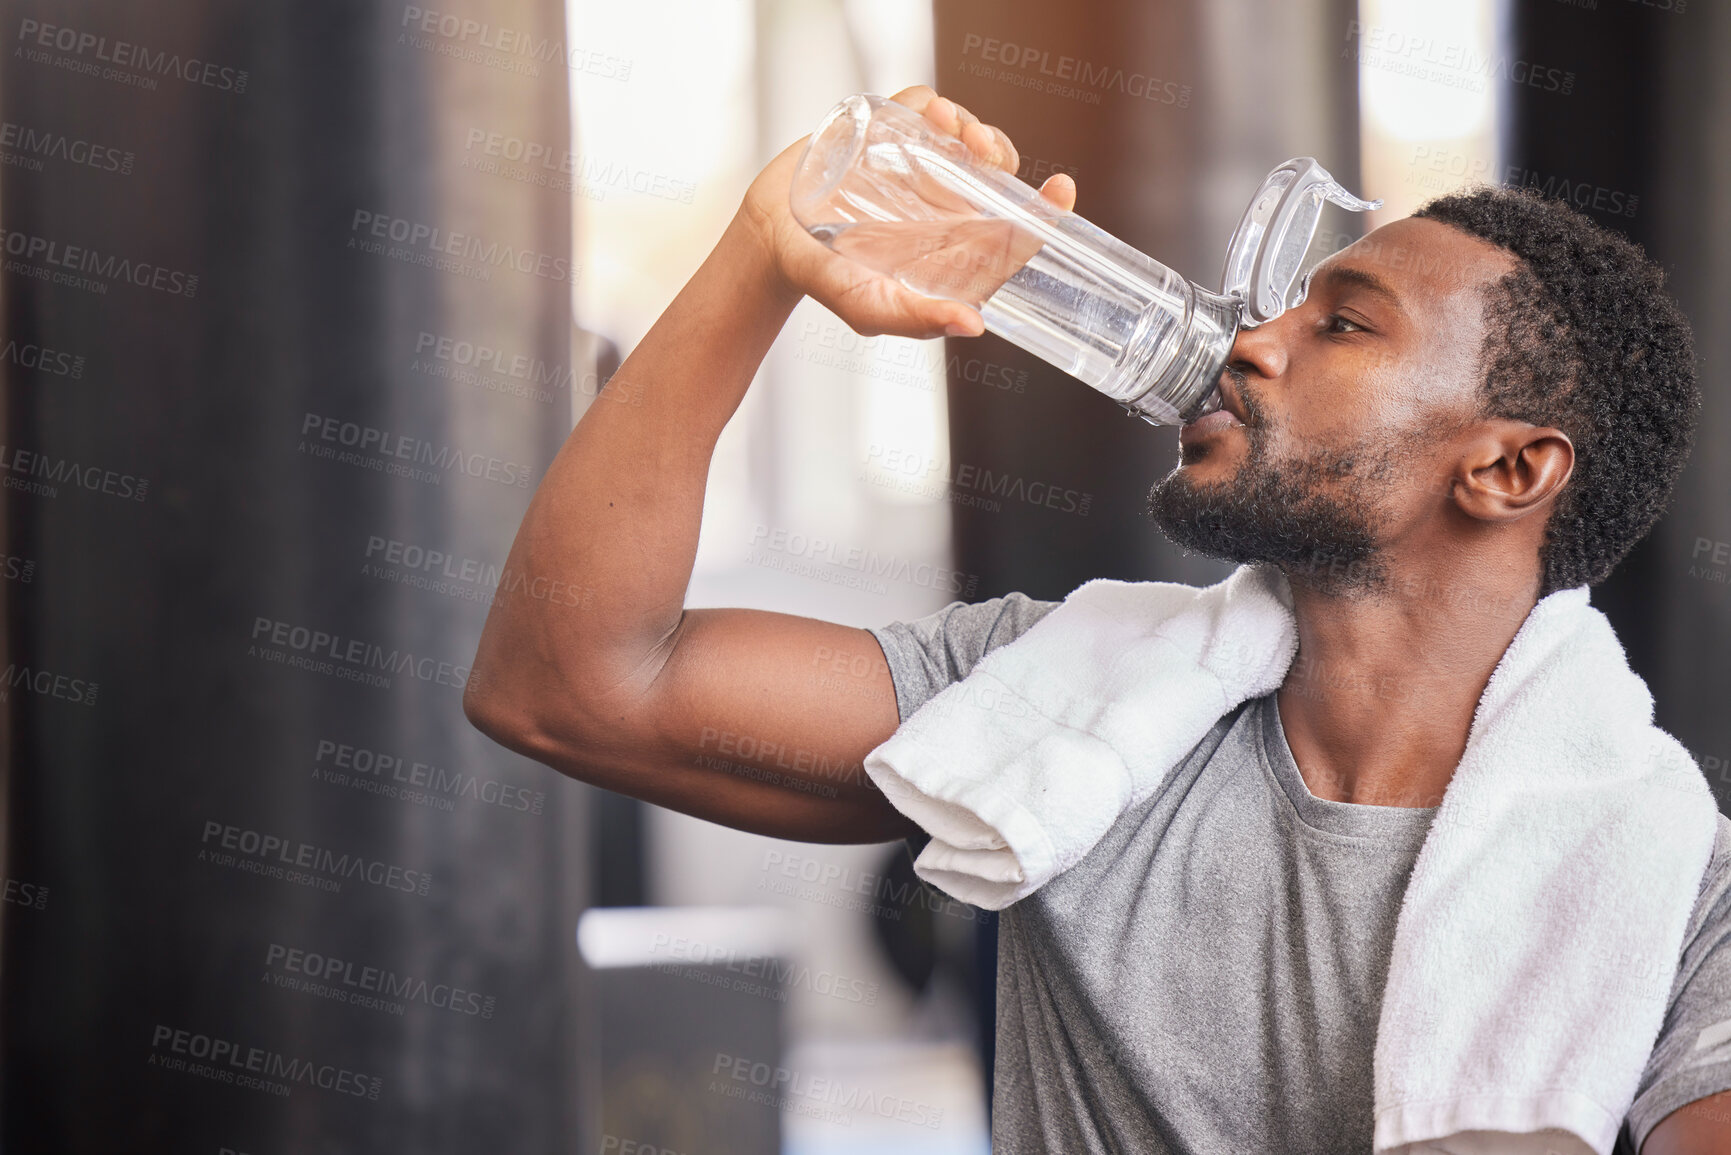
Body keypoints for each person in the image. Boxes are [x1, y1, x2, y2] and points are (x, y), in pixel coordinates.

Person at [463, 85, 1731, 1154]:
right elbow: (568, 682)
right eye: (1281, 306)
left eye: (1340, 322)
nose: (1251, 342)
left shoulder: (1675, 881)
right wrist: (763, 253)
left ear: (1509, 471)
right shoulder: (1061, 708)